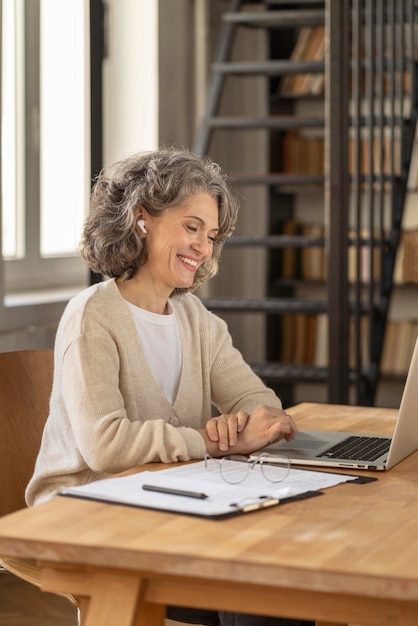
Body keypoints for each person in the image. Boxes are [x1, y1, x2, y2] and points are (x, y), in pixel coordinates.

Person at [26, 147, 312, 626]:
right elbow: (106, 446)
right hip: (83, 510)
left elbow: (257, 400)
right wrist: (213, 442)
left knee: (278, 573)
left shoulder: (195, 318)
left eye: (211, 235)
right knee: (255, 582)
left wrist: (251, 423)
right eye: (191, 226)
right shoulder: (92, 317)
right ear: (142, 219)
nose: (203, 247)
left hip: (165, 501)